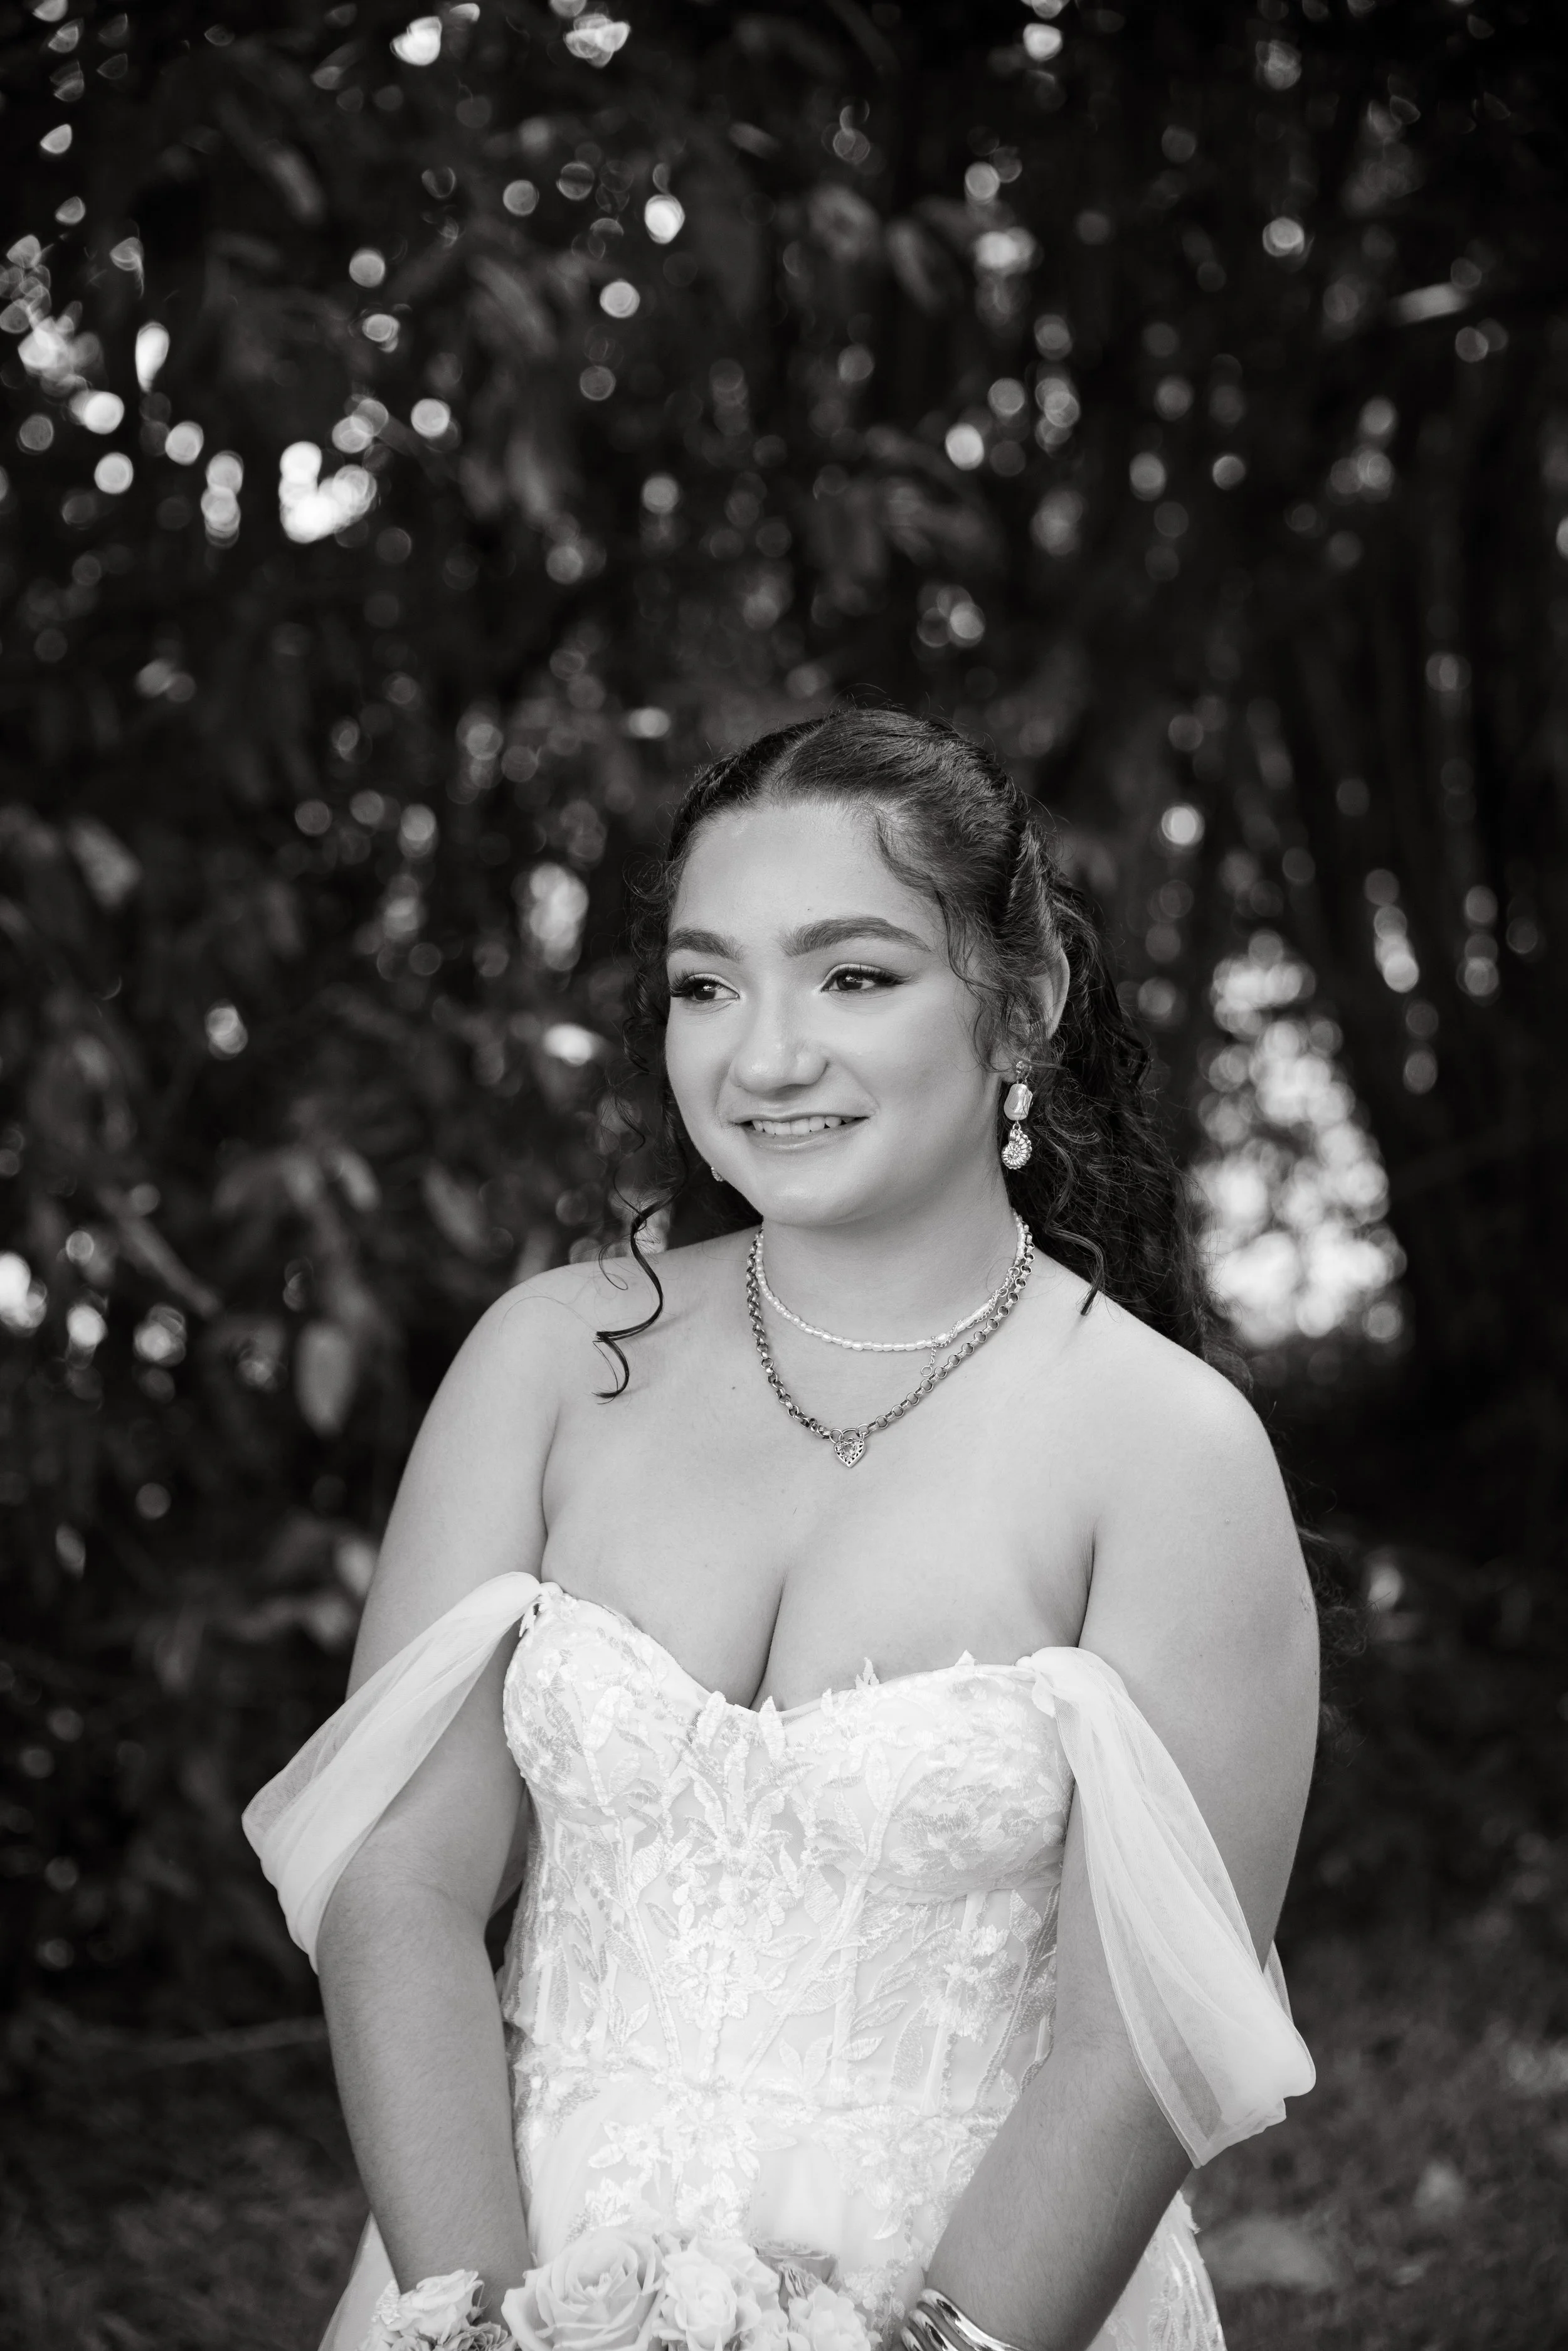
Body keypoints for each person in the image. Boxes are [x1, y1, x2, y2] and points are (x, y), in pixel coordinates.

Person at [245, 708, 1318, 2351]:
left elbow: (1143, 2043)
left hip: (978, 2294)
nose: (762, 1053)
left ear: (1017, 1007)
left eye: (854, 975)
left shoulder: (1167, 1449)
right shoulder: (549, 1357)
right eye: (704, 981)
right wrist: (479, 2322)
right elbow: (399, 1882)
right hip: (521, 2247)